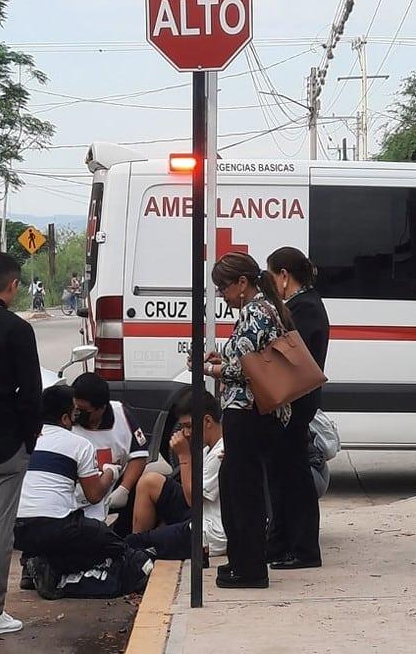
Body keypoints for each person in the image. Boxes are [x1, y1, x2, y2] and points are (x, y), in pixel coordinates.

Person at [206, 252, 292, 589]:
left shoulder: (256, 311)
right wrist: (225, 356)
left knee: (242, 491)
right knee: (238, 486)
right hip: (252, 411)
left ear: (242, 283)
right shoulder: (264, 309)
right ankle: (242, 560)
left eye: (223, 287)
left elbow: (248, 366)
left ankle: (250, 567)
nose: (222, 295)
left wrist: (212, 369)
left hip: (248, 411)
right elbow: (250, 354)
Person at [14, 386, 126, 600]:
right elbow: (94, 495)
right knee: (112, 542)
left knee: (50, 527)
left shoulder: (23, 439)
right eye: (75, 412)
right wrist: (110, 473)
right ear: (65, 418)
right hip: (55, 527)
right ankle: (55, 567)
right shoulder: (79, 445)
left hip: (16, 530)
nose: (78, 417)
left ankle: (32, 564)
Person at [0, 251, 42, 636]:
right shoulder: (17, 330)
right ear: (14, 285)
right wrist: (28, 440)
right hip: (4, 446)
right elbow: (31, 394)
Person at [265, 246, 330, 569]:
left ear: (284, 276)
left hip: (296, 402)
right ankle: (279, 542)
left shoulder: (304, 309)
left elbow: (289, 354)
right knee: (280, 475)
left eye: (272, 275)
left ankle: (303, 548)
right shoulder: (307, 305)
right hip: (293, 401)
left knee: (294, 477)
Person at [127, 390, 226, 560]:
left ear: (208, 421)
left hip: (209, 531)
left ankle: (136, 558)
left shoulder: (220, 453)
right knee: (149, 481)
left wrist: (184, 456)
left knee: (137, 542)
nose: (185, 433)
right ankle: (139, 549)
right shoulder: (209, 447)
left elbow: (192, 500)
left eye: (188, 426)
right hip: (202, 512)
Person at [72, 373, 148, 526]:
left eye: (84, 411)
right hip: (73, 499)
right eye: (76, 408)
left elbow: (139, 455)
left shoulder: (121, 415)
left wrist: (124, 489)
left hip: (112, 493)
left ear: (101, 408)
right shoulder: (66, 420)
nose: (77, 414)